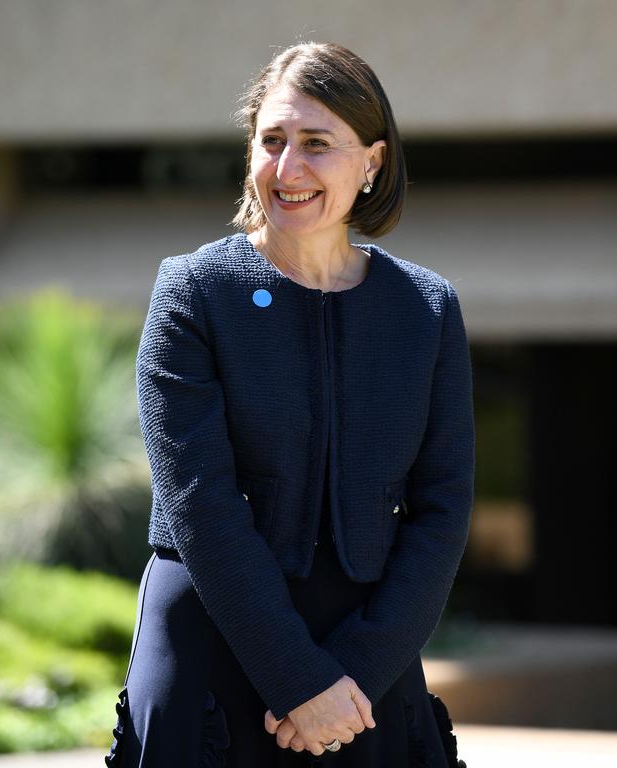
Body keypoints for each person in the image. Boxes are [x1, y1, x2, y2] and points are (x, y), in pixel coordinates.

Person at [106, 42, 474, 767]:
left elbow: (443, 507)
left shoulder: (427, 309)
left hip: (369, 655)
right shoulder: (193, 292)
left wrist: (353, 677)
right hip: (214, 631)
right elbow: (200, 505)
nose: (288, 168)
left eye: (316, 144)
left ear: (371, 161)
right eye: (271, 141)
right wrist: (300, 681)